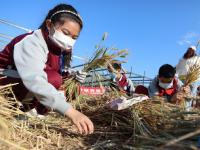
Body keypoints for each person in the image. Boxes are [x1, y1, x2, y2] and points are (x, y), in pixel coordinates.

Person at [0, 4, 93, 135]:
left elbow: (61, 74)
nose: (69, 40)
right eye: (66, 33)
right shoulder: (31, 42)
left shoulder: (61, 50)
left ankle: (37, 110)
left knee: (69, 86)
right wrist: (71, 112)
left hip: (23, 81)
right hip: (5, 82)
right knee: (52, 79)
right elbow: (35, 79)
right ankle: (21, 110)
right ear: (49, 25)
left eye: (74, 37)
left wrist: (73, 77)